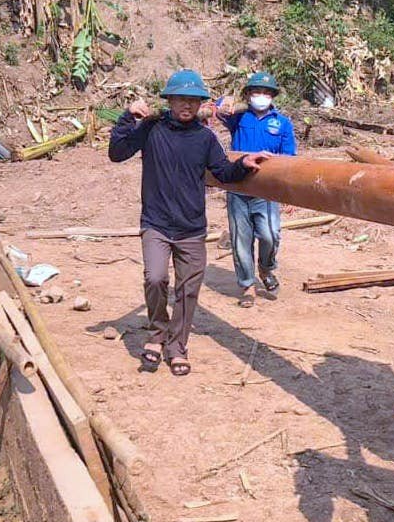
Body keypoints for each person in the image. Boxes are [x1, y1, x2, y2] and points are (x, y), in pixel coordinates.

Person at [109, 69, 270, 376]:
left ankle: (176, 346)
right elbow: (117, 153)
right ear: (169, 100)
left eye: (193, 101)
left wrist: (244, 165)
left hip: (192, 228)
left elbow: (222, 171)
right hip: (156, 223)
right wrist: (126, 118)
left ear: (200, 105)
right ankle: (157, 334)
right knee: (155, 279)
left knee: (188, 290)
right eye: (181, 99)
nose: (187, 105)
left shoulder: (205, 138)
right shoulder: (151, 129)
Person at [216, 71, 297, 308]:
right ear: (249, 94)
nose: (261, 96)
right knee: (241, 240)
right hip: (238, 187)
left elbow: (290, 159)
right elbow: (219, 108)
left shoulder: (282, 123)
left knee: (270, 235)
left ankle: (266, 267)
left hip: (267, 190)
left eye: (265, 92)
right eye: (256, 92)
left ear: (272, 96)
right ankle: (247, 285)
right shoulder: (239, 118)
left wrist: (289, 192)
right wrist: (226, 102)